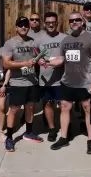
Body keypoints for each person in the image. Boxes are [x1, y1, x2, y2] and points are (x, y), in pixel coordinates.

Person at [46, 11, 91, 154]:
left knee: (88, 109)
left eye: (77, 20)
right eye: (71, 21)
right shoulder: (65, 40)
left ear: (83, 21)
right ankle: (63, 137)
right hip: (68, 82)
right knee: (64, 107)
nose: (74, 22)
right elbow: (61, 59)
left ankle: (90, 139)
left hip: (85, 82)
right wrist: (46, 62)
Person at [2, 16, 43, 152]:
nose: (24, 27)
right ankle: (9, 138)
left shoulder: (33, 42)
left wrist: (40, 61)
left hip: (32, 82)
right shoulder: (10, 43)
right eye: (20, 25)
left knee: (30, 107)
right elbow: (6, 63)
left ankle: (29, 132)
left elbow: (39, 56)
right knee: (14, 109)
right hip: (17, 83)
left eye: (26, 25)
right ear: (16, 27)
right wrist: (25, 63)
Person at [33, 12, 67, 142]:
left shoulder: (64, 38)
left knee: (64, 105)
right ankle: (52, 129)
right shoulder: (39, 39)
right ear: (44, 24)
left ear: (57, 23)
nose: (51, 25)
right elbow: (34, 51)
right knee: (48, 104)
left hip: (62, 78)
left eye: (53, 22)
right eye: (48, 23)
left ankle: (64, 129)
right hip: (45, 79)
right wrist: (38, 59)